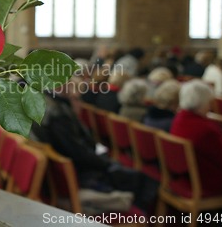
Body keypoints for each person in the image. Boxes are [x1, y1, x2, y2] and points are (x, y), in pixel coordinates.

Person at [31, 85, 159, 214]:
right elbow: (80, 153)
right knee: (143, 181)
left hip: (63, 176)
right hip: (79, 175)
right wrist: (105, 162)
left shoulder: (42, 103)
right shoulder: (58, 114)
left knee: (133, 176)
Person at [171, 79, 222, 196]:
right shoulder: (205, 129)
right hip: (211, 180)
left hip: (190, 175)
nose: (210, 107)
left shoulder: (179, 119)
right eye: (209, 103)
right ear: (201, 103)